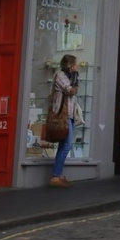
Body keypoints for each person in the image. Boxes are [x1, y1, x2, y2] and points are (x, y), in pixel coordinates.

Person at [47, 56, 80, 188]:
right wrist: (75, 76)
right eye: (74, 64)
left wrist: (74, 76)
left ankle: (58, 175)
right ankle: (55, 176)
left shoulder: (69, 76)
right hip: (62, 115)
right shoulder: (61, 75)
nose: (76, 66)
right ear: (69, 64)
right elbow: (71, 91)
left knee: (64, 145)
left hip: (69, 114)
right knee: (66, 145)